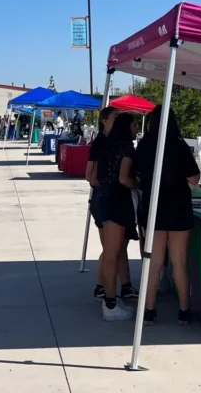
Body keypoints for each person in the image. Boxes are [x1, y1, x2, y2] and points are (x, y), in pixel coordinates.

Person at [135, 105, 201, 326]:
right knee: (179, 263)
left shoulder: (144, 146)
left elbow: (135, 175)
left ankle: (149, 310)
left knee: (153, 263)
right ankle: (184, 311)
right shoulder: (179, 147)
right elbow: (194, 179)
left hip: (153, 209)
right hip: (179, 208)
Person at [89, 112, 139, 320]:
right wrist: (140, 186)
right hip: (116, 202)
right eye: (135, 124)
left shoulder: (104, 146)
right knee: (112, 254)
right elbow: (124, 179)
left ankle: (110, 297)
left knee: (111, 252)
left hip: (100, 199)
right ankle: (110, 304)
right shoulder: (126, 149)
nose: (137, 128)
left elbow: (92, 177)